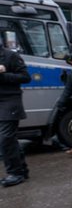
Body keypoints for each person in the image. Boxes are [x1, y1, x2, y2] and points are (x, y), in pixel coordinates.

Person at [0, 43, 31, 187]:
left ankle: (15, 173)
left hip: (9, 100)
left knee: (5, 138)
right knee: (9, 138)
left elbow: (25, 77)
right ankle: (22, 170)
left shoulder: (10, 55)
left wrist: (3, 75)